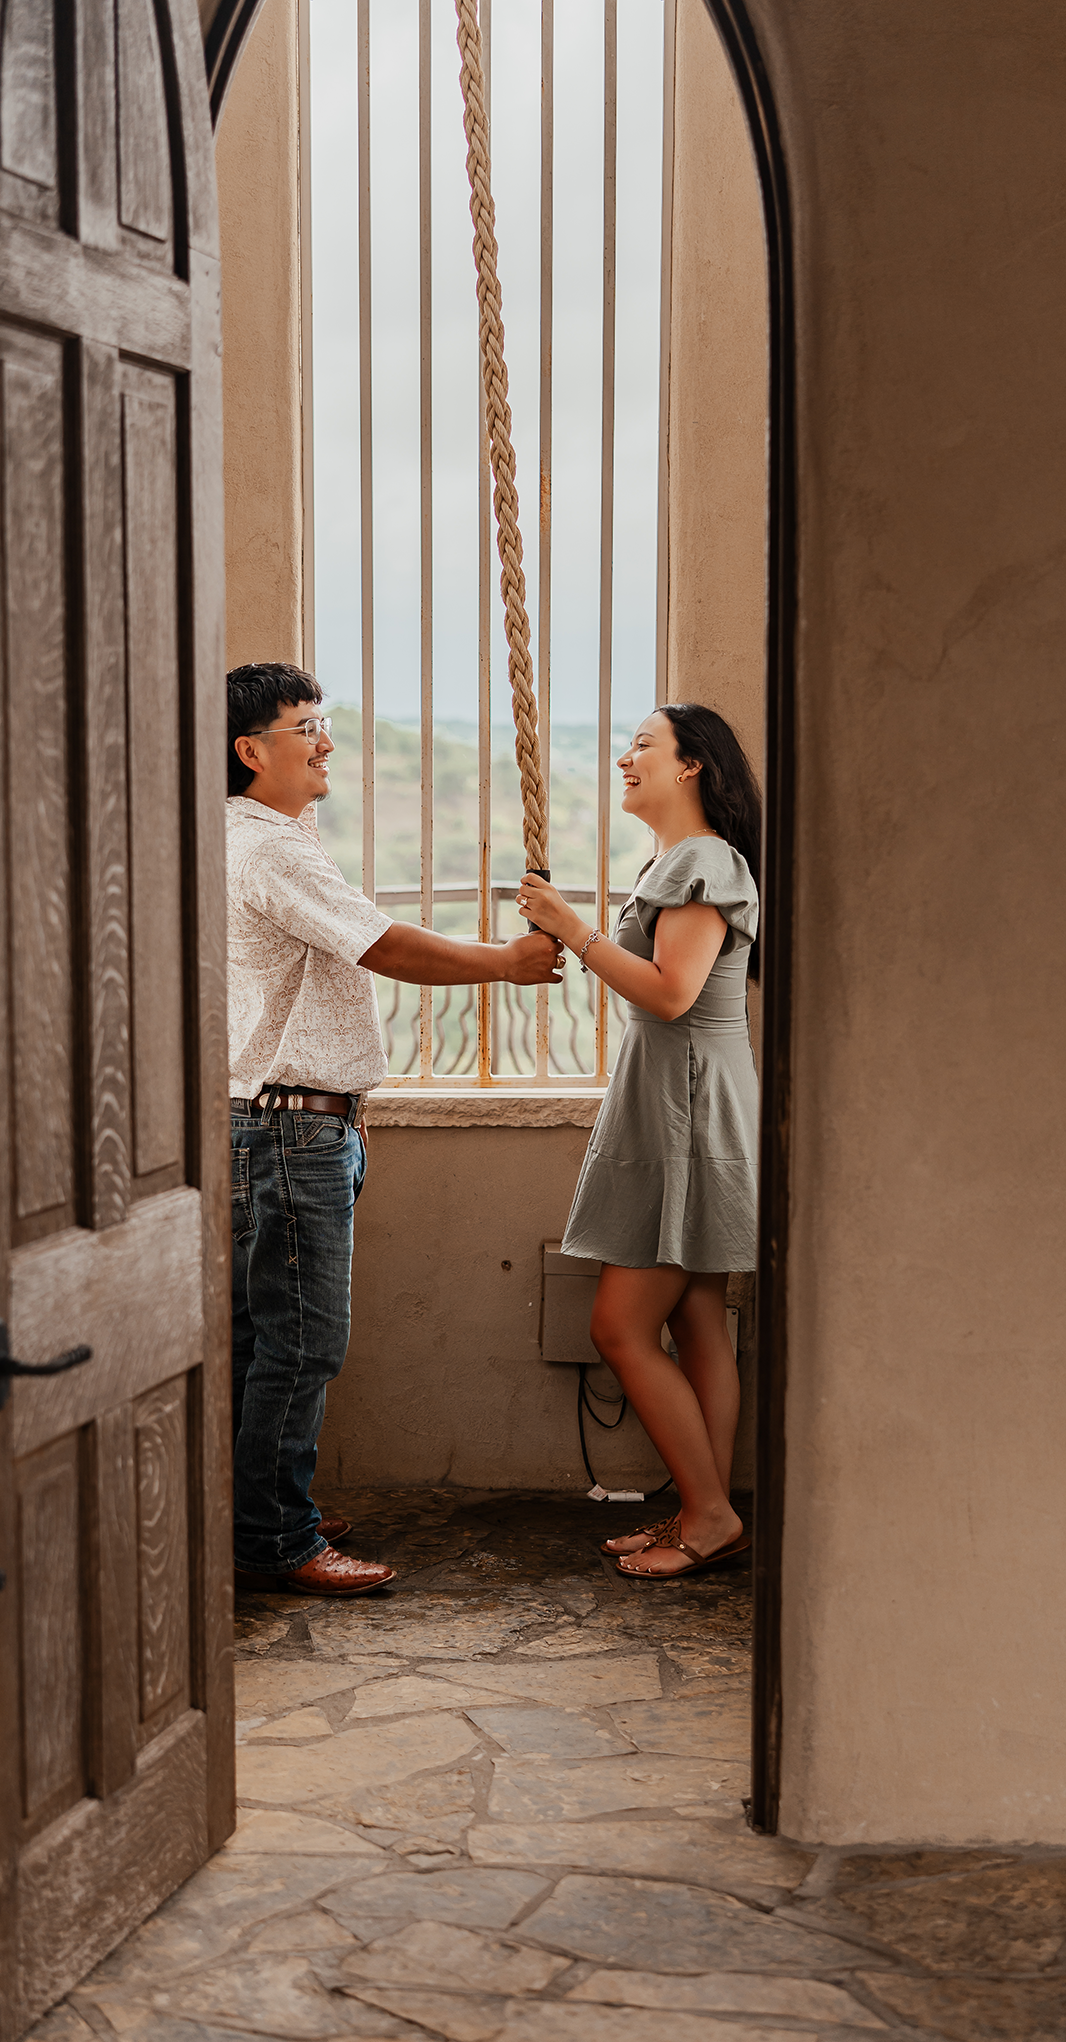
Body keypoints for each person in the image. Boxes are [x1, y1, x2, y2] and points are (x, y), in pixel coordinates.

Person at [226, 661, 563, 1597]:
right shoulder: (272, 848)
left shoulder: (232, 835)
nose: (324, 740)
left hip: (262, 1118)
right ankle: (274, 1539)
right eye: (306, 726)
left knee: (259, 1339)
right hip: (291, 1128)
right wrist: (505, 960)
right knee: (300, 1342)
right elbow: (381, 944)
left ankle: (257, 1507)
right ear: (252, 751)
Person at [516, 702, 761, 1581]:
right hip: (682, 1100)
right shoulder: (680, 861)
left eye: (643, 746)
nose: (625, 759)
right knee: (697, 1319)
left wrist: (573, 928)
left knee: (620, 1327)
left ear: (691, 765)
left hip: (685, 1110)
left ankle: (707, 1515)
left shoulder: (703, 864)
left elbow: (669, 994)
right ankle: (704, 1512)